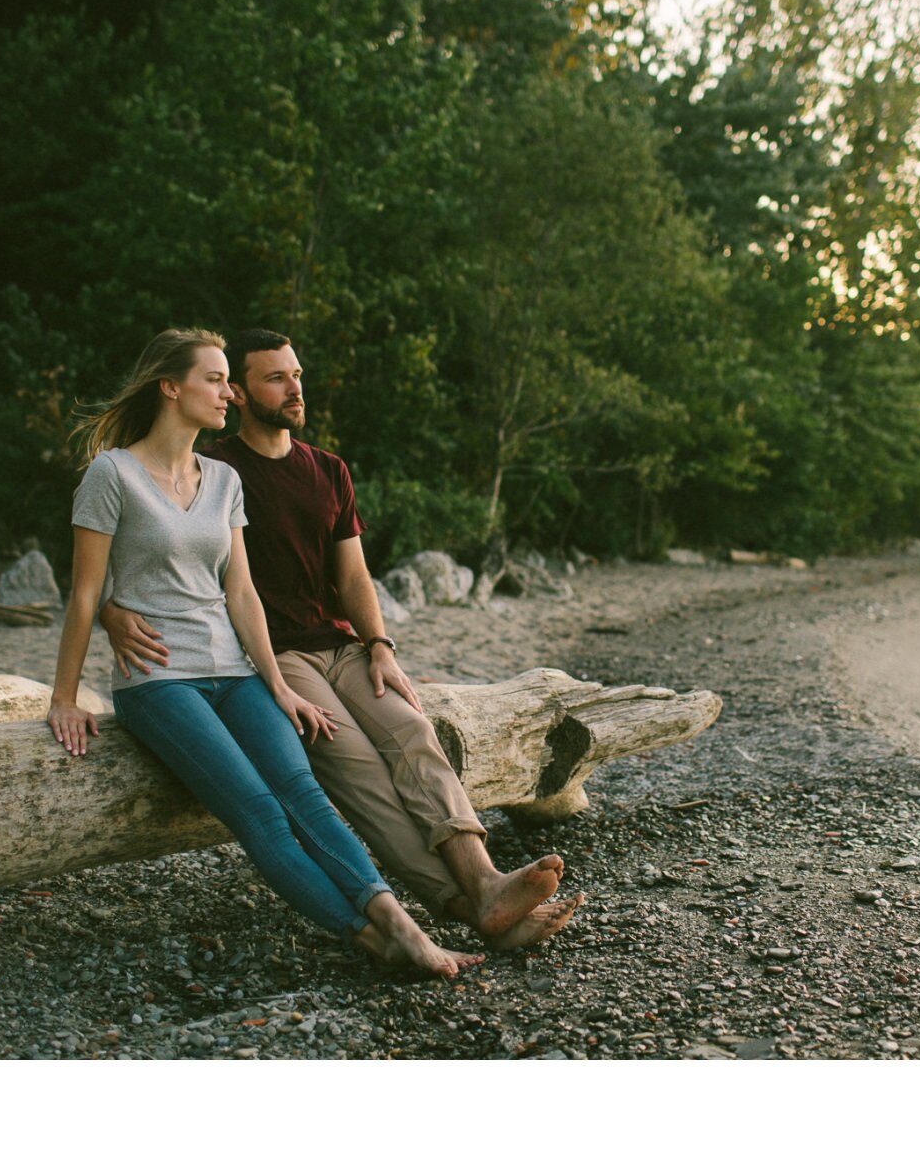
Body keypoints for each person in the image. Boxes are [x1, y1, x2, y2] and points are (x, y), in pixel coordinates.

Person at [101, 329, 584, 951]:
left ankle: (486, 883)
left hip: (341, 646)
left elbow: (352, 575)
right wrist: (113, 610)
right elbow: (154, 550)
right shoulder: (214, 468)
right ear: (241, 394)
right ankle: (467, 907)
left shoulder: (328, 469)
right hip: (272, 655)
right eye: (275, 378)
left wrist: (379, 644)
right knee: (361, 773)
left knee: (414, 732)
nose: (294, 386)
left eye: (296, 373)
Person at [46, 327, 482, 979]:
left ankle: (401, 922)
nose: (229, 393)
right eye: (215, 380)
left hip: (237, 671)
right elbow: (85, 596)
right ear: (172, 387)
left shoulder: (222, 480)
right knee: (258, 812)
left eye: (229, 380)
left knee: (305, 794)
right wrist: (64, 696)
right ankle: (371, 937)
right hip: (160, 681)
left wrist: (277, 686)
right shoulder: (112, 474)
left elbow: (242, 593)